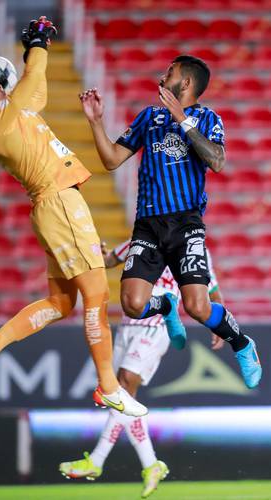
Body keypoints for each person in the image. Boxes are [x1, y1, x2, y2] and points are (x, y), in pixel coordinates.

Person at [0, 16, 147, 417]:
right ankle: (108, 385)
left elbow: (34, 87)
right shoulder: (3, 120)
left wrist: (32, 52)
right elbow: (33, 75)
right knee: (96, 295)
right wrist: (37, 42)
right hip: (60, 204)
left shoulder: (10, 119)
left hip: (50, 207)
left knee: (61, 302)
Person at [79, 55, 261, 389]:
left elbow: (217, 161)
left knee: (198, 306)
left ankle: (242, 343)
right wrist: (95, 121)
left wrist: (183, 120)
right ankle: (164, 304)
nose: (163, 76)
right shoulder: (149, 117)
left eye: (170, 72)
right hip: (147, 224)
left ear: (187, 83)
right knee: (133, 305)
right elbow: (111, 160)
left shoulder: (207, 118)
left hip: (186, 224)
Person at [59, 240, 224, 499]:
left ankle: (97, 460)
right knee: (120, 397)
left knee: (123, 386)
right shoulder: (138, 241)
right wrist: (99, 254)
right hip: (127, 327)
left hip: (156, 328)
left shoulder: (195, 250)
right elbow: (109, 260)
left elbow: (211, 289)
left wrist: (220, 324)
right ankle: (151, 464)